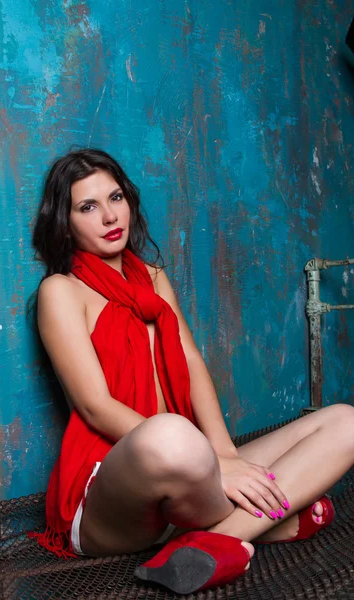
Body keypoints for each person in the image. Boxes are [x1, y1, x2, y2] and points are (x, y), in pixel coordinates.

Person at [29, 148, 354, 594]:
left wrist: (225, 458)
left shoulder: (153, 277)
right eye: (88, 206)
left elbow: (192, 363)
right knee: (172, 435)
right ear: (65, 222)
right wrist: (211, 463)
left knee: (346, 422)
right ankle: (268, 520)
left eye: (116, 198)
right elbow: (94, 405)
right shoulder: (60, 290)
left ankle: (213, 542)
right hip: (113, 491)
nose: (109, 216)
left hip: (190, 479)